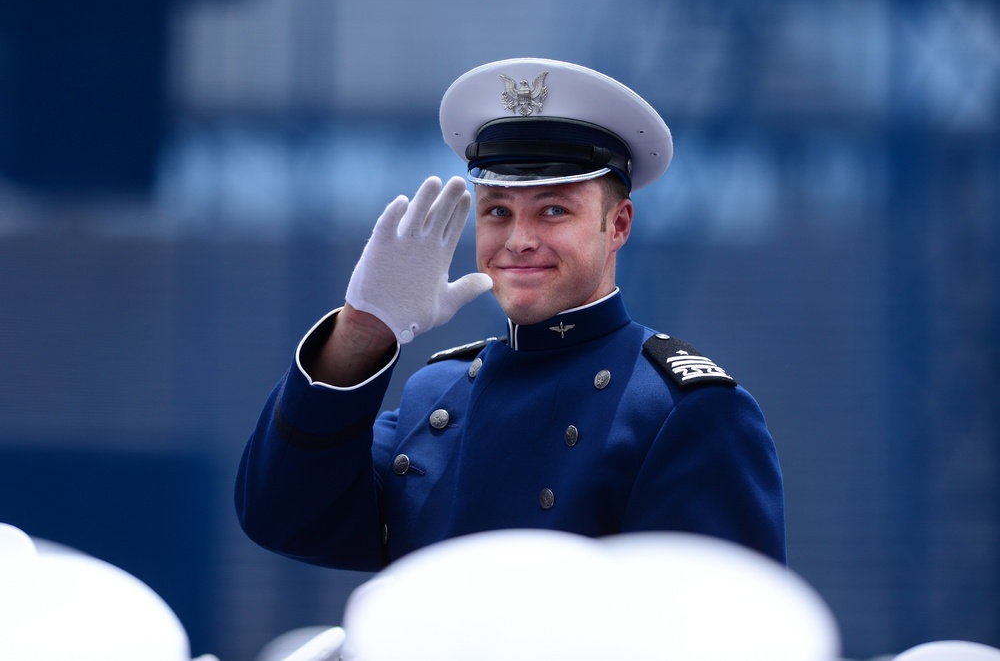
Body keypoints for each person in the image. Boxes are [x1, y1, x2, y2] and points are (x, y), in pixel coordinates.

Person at [235, 58, 786, 572]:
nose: (519, 240)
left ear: (617, 226)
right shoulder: (437, 394)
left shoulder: (684, 411)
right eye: (497, 211)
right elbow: (281, 517)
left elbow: (727, 627)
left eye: (553, 210)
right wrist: (363, 330)